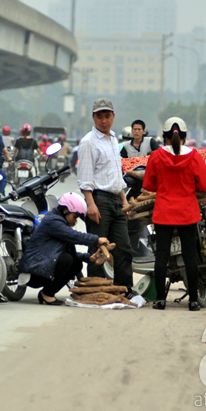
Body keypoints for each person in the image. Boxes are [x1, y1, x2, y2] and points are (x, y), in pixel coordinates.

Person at [143, 117, 206, 311]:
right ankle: (193, 301)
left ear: (164, 136)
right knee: (190, 254)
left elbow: (148, 184)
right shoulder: (194, 156)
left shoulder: (156, 156)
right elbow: (204, 184)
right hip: (187, 211)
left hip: (163, 211)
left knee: (161, 255)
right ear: (184, 136)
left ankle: (160, 300)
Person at [77, 98, 134, 295]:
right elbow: (85, 178)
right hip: (98, 200)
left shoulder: (113, 140)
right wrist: (90, 204)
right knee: (99, 249)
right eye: (99, 117)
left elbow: (116, 174)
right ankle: (96, 290)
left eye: (107, 116)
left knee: (124, 248)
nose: (103, 120)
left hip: (116, 201)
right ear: (93, 117)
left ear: (113, 117)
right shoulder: (88, 142)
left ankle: (125, 289)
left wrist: (124, 201)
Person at [19, 192, 110, 305]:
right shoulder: (53, 221)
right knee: (66, 259)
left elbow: (67, 252)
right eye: (75, 216)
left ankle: (47, 292)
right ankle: (47, 294)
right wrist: (96, 240)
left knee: (76, 263)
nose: (75, 221)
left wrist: (88, 257)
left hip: (44, 266)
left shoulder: (60, 223)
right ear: (66, 210)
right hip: (35, 270)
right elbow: (74, 236)